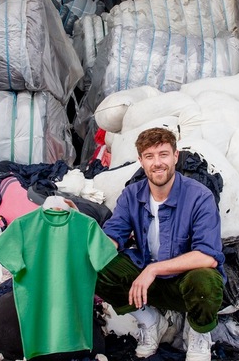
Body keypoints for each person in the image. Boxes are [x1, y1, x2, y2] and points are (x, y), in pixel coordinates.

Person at [96, 127, 225, 361]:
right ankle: (151, 321)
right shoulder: (131, 194)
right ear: (141, 161)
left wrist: (153, 269)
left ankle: (197, 332)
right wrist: (88, 251)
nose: (157, 163)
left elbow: (208, 255)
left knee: (206, 280)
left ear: (175, 157)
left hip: (185, 284)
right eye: (149, 156)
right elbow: (114, 233)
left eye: (163, 154)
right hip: (148, 287)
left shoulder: (199, 196)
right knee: (95, 266)